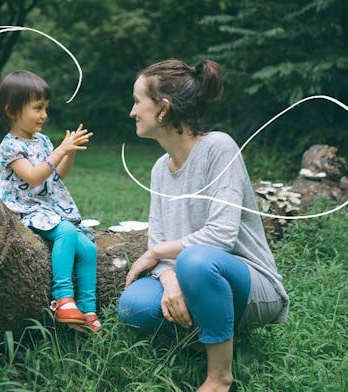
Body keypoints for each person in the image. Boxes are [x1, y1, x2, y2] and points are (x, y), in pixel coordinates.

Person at [118, 59, 289, 391]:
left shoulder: (219, 148)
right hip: (192, 273)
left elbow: (221, 236)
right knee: (134, 306)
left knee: (196, 260)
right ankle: (206, 331)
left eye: (138, 101)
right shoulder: (157, 169)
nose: (132, 111)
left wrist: (156, 253)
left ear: (163, 109)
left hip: (250, 284)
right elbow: (160, 237)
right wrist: (167, 279)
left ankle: (219, 377)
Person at [0, 70, 100, 332]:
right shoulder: (9, 146)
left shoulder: (42, 140)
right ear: (12, 111)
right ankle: (63, 298)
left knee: (88, 249)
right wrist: (60, 151)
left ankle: (88, 309)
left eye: (46, 108)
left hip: (48, 208)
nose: (44, 115)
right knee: (66, 231)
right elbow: (32, 177)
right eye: (37, 108)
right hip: (24, 209)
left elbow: (56, 175)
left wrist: (69, 154)